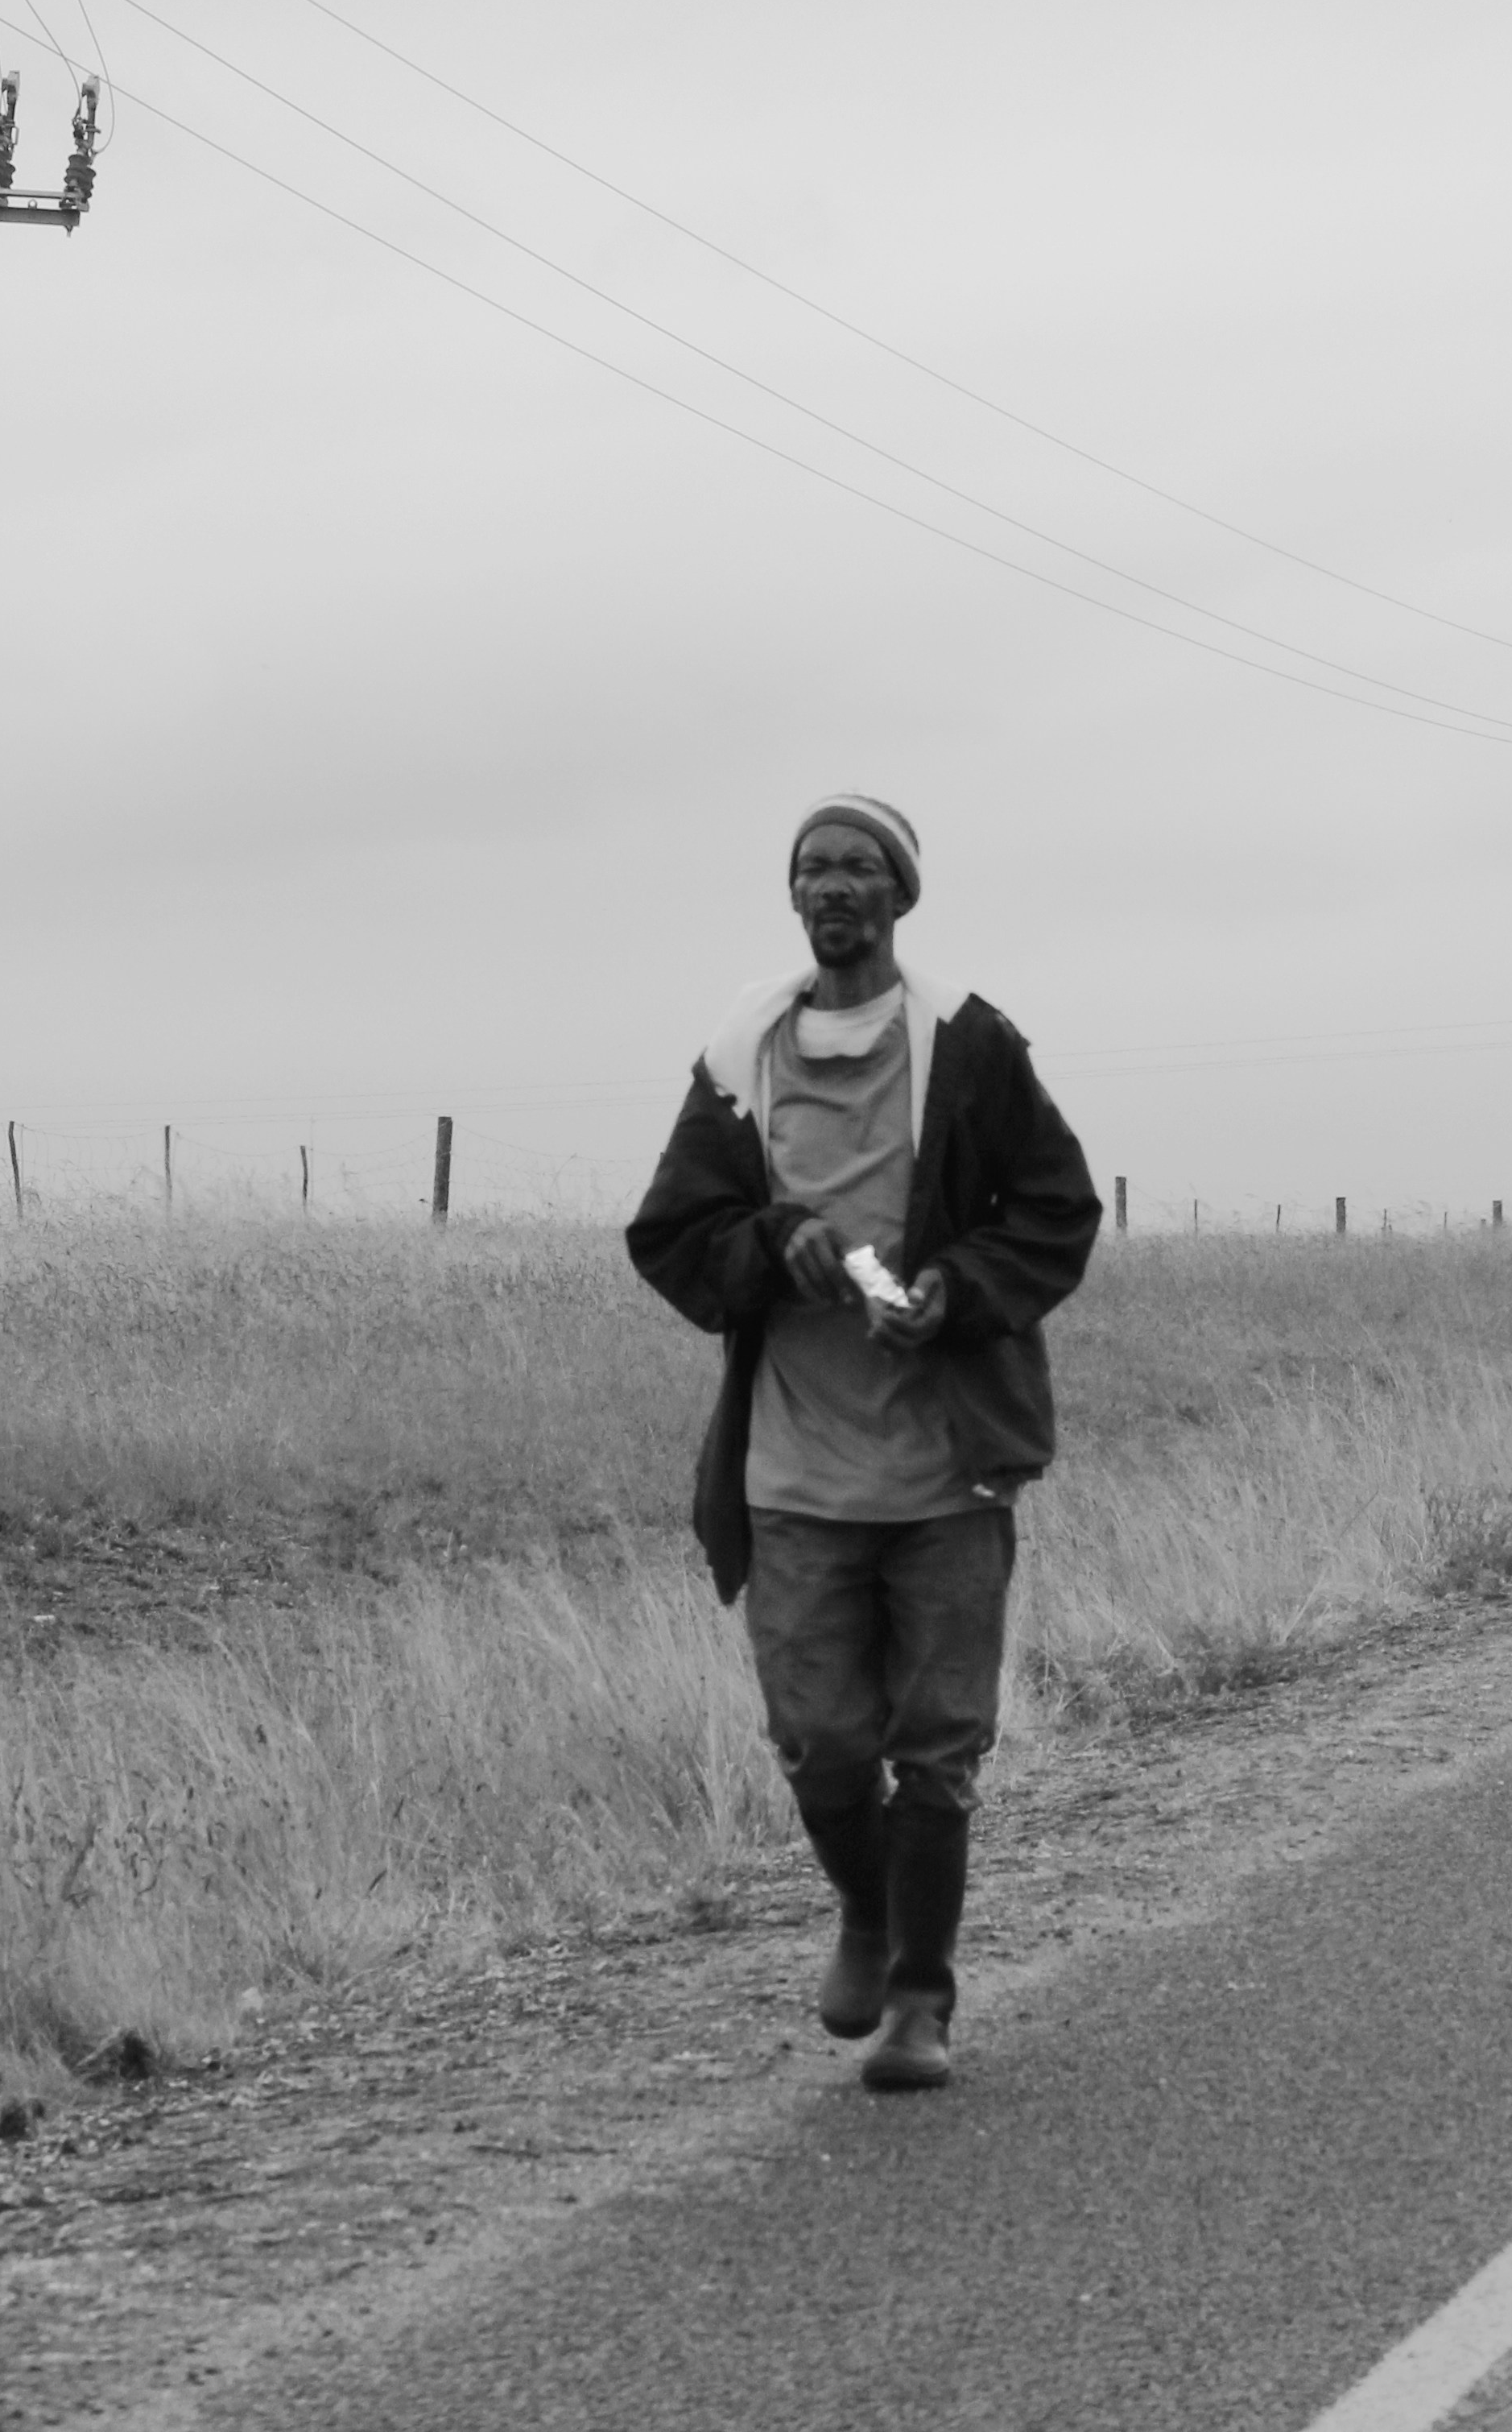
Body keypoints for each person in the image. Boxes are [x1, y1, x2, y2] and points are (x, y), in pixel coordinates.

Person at [624, 795, 1101, 2091]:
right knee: (821, 1740)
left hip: (947, 1467)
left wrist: (955, 1292)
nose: (834, 886)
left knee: (937, 1751)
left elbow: (1056, 1210)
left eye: (859, 867)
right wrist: (773, 1243)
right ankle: (866, 1911)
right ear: (794, 898)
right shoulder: (742, 1057)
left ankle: (920, 2007)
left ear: (901, 895)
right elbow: (672, 1233)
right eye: (814, 869)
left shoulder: (968, 1044)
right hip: (794, 1473)